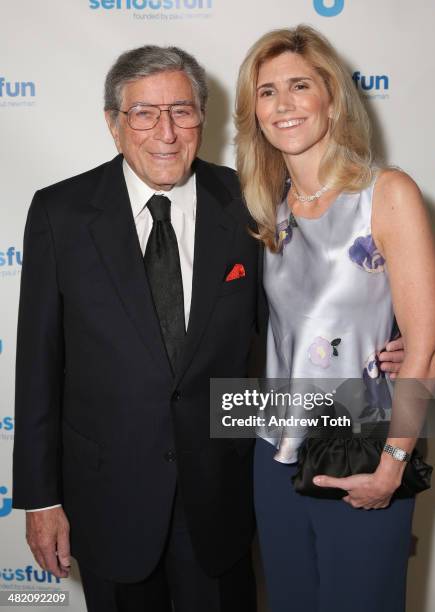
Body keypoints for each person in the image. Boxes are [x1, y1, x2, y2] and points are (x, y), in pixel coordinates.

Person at [12, 45, 260, 612]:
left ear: (203, 116)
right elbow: (38, 365)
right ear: (113, 124)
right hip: (107, 502)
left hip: (221, 501)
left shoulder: (250, 204)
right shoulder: (61, 213)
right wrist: (40, 497)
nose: (166, 132)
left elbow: (288, 335)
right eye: (144, 113)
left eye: (182, 110)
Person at [235, 25, 435, 612]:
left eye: (299, 85)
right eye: (268, 90)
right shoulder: (264, 207)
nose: (284, 104)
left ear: (332, 98)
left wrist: (394, 463)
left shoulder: (387, 193)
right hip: (272, 447)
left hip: (361, 447)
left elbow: (426, 346)